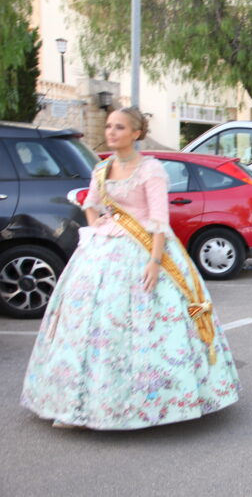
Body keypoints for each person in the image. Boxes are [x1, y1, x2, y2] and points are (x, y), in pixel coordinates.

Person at [20, 107, 240, 429]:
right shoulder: (102, 168)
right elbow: (91, 206)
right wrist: (97, 230)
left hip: (145, 251)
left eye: (119, 127)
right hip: (102, 252)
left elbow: (159, 221)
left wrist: (154, 262)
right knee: (91, 327)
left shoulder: (150, 169)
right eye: (109, 126)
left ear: (136, 133)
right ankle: (79, 402)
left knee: (148, 327)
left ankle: (157, 401)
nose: (111, 132)